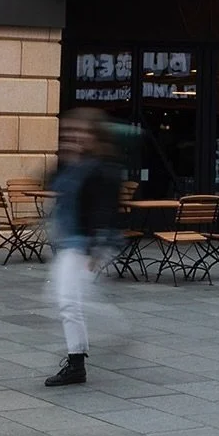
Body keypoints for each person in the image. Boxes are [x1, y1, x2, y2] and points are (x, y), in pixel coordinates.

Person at [43, 109, 123, 388]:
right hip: (68, 242)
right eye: (71, 132)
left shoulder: (103, 168)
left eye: (82, 131)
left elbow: (105, 210)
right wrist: (66, 157)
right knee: (65, 299)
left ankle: (80, 360)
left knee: (68, 301)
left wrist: (96, 249)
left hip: (83, 243)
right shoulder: (73, 164)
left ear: (95, 134)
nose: (76, 136)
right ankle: (81, 355)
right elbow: (49, 183)